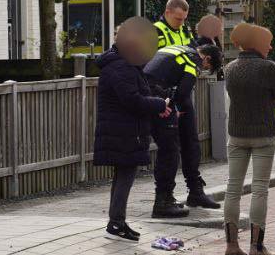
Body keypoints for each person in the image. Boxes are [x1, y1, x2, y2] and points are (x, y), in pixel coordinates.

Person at [95, 17, 173, 241]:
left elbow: (139, 93)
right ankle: (116, 223)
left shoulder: (123, 64)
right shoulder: (122, 66)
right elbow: (132, 99)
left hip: (124, 129)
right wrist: (159, 104)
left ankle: (116, 222)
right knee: (125, 175)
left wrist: (158, 106)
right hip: (123, 131)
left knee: (123, 175)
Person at [221, 22, 275, 255]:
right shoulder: (269, 68)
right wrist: (268, 103)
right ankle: (256, 247)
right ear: (257, 43)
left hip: (236, 134)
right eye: (267, 41)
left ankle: (231, 245)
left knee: (233, 188)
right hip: (263, 134)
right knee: (259, 188)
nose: (270, 46)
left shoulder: (230, 68)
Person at [143, 41, 223, 216]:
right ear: (206, 58)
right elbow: (183, 92)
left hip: (146, 91)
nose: (202, 70)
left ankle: (190, 193)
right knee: (170, 150)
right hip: (157, 95)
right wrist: (170, 106)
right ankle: (163, 202)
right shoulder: (192, 60)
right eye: (206, 67)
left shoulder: (178, 49)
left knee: (183, 143)